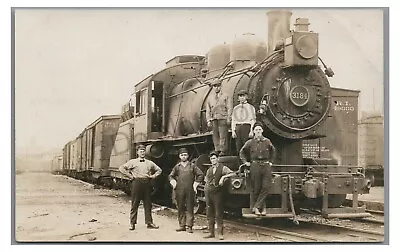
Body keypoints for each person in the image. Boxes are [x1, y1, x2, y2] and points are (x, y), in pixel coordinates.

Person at [118, 144, 162, 230]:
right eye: (140, 151)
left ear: (145, 152)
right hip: (136, 183)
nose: (142, 153)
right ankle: (132, 223)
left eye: (143, 151)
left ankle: (149, 223)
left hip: (147, 183)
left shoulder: (149, 163)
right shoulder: (133, 162)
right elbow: (122, 168)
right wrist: (130, 176)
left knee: (148, 204)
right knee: (135, 204)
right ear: (137, 152)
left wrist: (153, 176)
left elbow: (159, 170)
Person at [239, 122, 276, 216]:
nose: (258, 131)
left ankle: (256, 207)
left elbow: (273, 151)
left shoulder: (267, 141)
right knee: (256, 188)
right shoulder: (250, 142)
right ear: (254, 131)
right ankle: (262, 209)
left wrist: (271, 162)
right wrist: (245, 162)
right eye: (256, 130)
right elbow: (242, 152)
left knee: (266, 186)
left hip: (266, 165)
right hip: (254, 165)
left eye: (259, 129)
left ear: (262, 131)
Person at [169, 148, 204, 233]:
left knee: (189, 207)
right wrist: (173, 182)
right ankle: (182, 225)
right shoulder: (177, 167)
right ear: (179, 156)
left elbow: (200, 175)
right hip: (179, 190)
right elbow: (171, 176)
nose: (184, 156)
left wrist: (195, 184)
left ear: (188, 156)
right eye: (182, 155)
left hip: (190, 190)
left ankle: (189, 226)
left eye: (185, 155)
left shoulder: (192, 166)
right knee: (180, 207)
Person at [203, 151, 236, 240]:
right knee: (209, 213)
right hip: (208, 192)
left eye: (214, 158)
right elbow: (206, 179)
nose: (213, 160)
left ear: (217, 159)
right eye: (211, 159)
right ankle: (211, 233)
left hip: (217, 193)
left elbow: (233, 173)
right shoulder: (209, 169)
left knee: (218, 213)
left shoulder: (223, 168)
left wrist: (223, 177)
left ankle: (220, 233)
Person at [206, 81, 233, 156]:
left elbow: (229, 107)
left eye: (218, 86)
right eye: (214, 86)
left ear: (220, 86)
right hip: (214, 119)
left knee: (223, 134)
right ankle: (217, 149)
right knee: (215, 135)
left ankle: (223, 150)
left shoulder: (226, 96)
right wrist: (208, 120)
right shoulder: (210, 98)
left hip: (223, 118)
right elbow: (208, 110)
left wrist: (229, 118)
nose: (216, 87)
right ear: (213, 87)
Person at [231, 89, 256, 154]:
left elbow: (253, 120)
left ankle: (247, 162)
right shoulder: (236, 108)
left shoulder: (251, 107)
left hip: (246, 127)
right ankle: (240, 163)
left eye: (243, 96)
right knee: (238, 147)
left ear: (246, 97)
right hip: (238, 127)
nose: (242, 98)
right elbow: (233, 120)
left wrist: (251, 130)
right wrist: (233, 131)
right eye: (240, 96)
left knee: (247, 146)